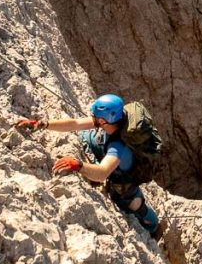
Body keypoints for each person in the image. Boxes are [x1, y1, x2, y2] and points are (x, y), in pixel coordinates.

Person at [16, 94, 160, 234]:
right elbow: (75, 124)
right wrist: (42, 124)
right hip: (109, 150)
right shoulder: (114, 121)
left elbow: (102, 173)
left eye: (95, 116)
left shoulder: (118, 147)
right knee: (87, 136)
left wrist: (77, 165)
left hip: (123, 176)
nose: (92, 118)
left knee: (131, 202)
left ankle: (153, 225)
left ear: (103, 121)